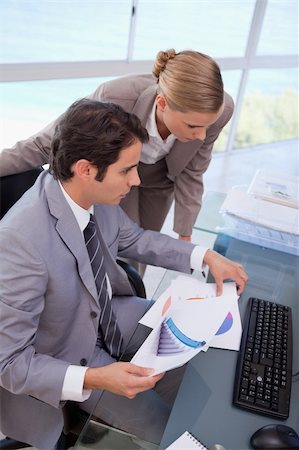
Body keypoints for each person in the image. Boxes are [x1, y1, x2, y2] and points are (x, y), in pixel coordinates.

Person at [0, 99, 247, 449]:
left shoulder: (91, 194)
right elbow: (9, 363)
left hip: (109, 316)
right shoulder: (20, 242)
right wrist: (97, 377)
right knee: (170, 429)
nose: (136, 180)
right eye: (127, 170)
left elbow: (134, 238)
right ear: (86, 169)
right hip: (68, 357)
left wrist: (202, 255)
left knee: (206, 362)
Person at [0, 49, 233, 244]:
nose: (201, 135)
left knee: (147, 245)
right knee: (119, 241)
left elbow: (193, 171)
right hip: (118, 173)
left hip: (163, 179)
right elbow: (45, 144)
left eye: (205, 127)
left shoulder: (218, 111)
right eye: (192, 126)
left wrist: (185, 235)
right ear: (162, 103)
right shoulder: (114, 97)